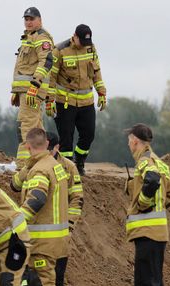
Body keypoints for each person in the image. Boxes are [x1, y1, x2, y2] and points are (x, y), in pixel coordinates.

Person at [12, 132, 83, 286]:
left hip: (42, 242)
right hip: (56, 240)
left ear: (28, 147)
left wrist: (16, 222)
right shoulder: (54, 165)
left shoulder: (43, 169)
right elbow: (14, 184)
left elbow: (37, 198)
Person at [125, 123, 170, 286]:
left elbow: (152, 180)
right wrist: (157, 205)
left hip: (147, 231)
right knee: (155, 284)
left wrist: (144, 203)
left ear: (135, 141)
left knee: (145, 285)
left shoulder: (144, 161)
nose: (128, 145)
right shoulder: (160, 162)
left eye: (129, 141)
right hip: (159, 232)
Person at [47, 24, 107, 175]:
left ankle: (79, 162)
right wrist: (49, 100)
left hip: (86, 102)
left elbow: (97, 72)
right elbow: (51, 78)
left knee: (89, 134)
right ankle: (67, 169)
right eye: (82, 41)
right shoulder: (59, 50)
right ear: (74, 36)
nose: (85, 45)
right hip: (65, 102)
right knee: (66, 138)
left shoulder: (90, 48)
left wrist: (101, 92)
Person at [10, 7, 54, 168]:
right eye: (26, 19)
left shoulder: (42, 38)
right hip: (25, 91)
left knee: (25, 126)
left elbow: (47, 62)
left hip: (32, 91)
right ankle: (47, 159)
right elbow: (22, 68)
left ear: (40, 20)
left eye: (32, 19)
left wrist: (35, 85)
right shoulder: (29, 37)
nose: (28, 22)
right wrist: (16, 92)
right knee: (36, 128)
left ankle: (24, 165)